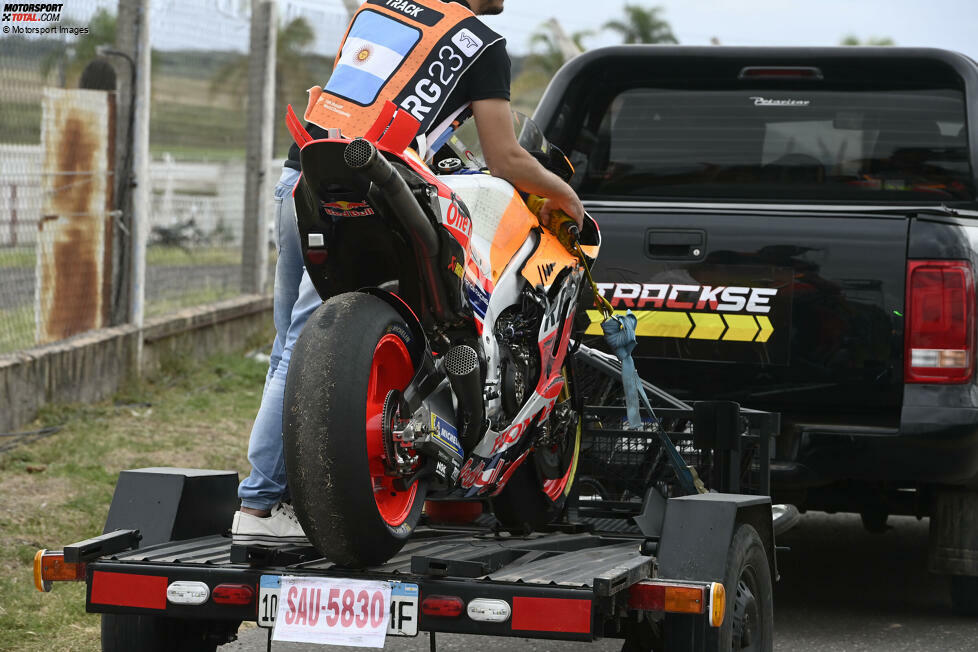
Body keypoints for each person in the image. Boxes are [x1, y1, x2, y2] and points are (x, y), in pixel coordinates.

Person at [231, 0, 584, 546]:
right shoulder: (482, 43)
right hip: (374, 191)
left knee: (291, 348)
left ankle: (271, 499)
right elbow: (505, 159)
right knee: (327, 340)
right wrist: (565, 197)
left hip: (301, 179)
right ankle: (260, 507)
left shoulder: (381, 11)